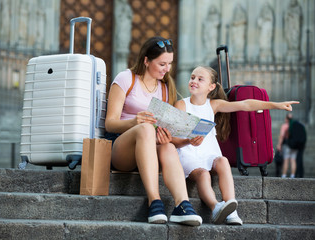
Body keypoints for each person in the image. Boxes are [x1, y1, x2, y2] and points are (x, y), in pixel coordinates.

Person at [171, 66, 299, 225]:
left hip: (209, 153)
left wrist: (276, 105)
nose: (193, 81)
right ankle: (215, 207)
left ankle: (231, 208)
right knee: (204, 174)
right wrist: (188, 141)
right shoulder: (181, 105)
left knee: (223, 161)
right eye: (192, 77)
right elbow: (172, 139)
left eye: (199, 79)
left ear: (211, 87)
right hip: (189, 153)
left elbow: (245, 105)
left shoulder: (214, 105)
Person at [105, 36, 202, 226]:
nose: (167, 69)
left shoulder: (165, 88)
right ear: (146, 61)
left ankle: (182, 204)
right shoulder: (126, 79)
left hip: (150, 150)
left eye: (170, 64)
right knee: (146, 129)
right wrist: (135, 122)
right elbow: (110, 123)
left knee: (168, 148)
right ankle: (154, 201)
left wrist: (187, 140)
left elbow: (165, 131)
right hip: (121, 149)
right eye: (162, 64)